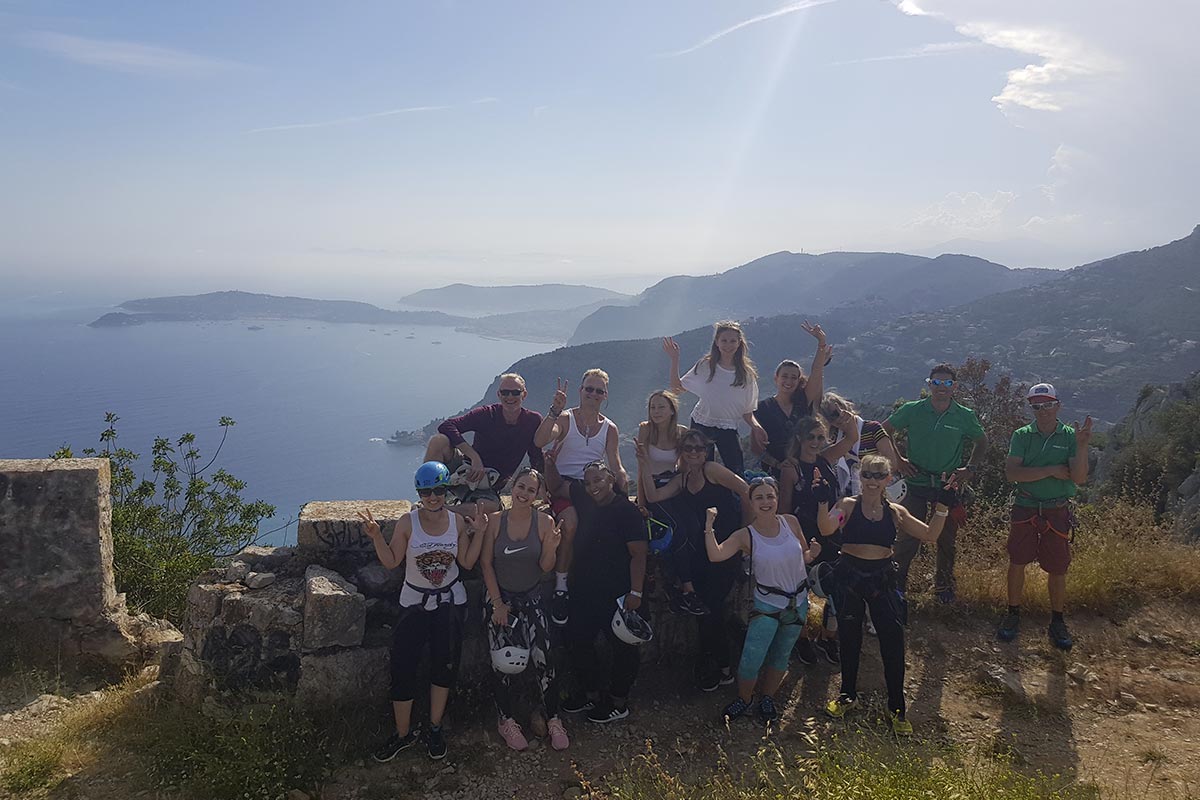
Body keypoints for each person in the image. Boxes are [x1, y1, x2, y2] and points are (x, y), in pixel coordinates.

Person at [360, 461, 486, 762]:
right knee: (403, 666)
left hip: (449, 602)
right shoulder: (407, 523)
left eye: (439, 490)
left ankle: (434, 727)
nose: (433, 497)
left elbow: (467, 562)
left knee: (444, 665)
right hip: (414, 602)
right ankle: (403, 733)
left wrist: (478, 532)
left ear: (446, 491)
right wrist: (377, 536)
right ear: (419, 493)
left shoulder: (456, 523)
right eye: (427, 491)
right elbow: (391, 562)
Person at [819, 454, 952, 735]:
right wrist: (821, 502)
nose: (872, 480)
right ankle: (847, 696)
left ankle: (897, 709)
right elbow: (827, 528)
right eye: (867, 474)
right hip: (850, 575)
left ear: (889, 479)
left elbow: (929, 535)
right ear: (860, 476)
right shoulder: (848, 506)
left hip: (882, 577)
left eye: (879, 475)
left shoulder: (895, 512)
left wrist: (942, 507)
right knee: (850, 637)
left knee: (893, 642)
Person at [638, 428, 751, 691]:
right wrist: (643, 464)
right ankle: (716, 662)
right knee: (704, 609)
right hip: (701, 553)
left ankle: (719, 665)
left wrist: (746, 532)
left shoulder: (713, 470)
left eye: (699, 448)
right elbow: (654, 496)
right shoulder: (683, 479)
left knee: (710, 606)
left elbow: (746, 491)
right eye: (688, 448)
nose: (693, 453)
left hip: (725, 549)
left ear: (707, 450)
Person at [704, 477, 822, 726]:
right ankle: (745, 698)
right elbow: (716, 555)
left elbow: (804, 556)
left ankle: (766, 697)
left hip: (797, 602)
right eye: (759, 497)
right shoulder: (745, 535)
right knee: (751, 658)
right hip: (768, 606)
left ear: (777, 498)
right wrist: (709, 525)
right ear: (751, 502)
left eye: (770, 496)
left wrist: (813, 553)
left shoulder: (790, 522)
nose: (766, 502)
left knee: (781, 656)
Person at [478, 467, 569, 750]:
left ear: (538, 494)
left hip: (532, 598)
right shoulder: (495, 522)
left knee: (544, 658)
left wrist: (552, 547)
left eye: (531, 490)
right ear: (512, 487)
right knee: (503, 663)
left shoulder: (544, 522)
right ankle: (506, 720)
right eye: (521, 486)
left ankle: (553, 718)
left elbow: (545, 567)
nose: (524, 493)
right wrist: (497, 604)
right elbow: (485, 564)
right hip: (500, 599)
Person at [999, 383, 1093, 650]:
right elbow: (1012, 474)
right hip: (1026, 506)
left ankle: (1057, 620)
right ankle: (1013, 613)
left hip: (1055, 508)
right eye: (1037, 406)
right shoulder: (1022, 435)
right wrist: (1052, 469)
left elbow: (1079, 477)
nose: (1042, 411)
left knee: (1058, 568)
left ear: (1058, 405)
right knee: (1017, 561)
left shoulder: (1070, 437)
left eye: (1047, 405)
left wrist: (1083, 446)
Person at [883, 363, 988, 603]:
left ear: (955, 387)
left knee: (946, 538)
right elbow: (884, 430)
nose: (942, 388)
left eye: (947, 383)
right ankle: (897, 585)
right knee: (908, 535)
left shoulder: (964, 415)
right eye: (937, 383)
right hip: (917, 481)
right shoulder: (913, 410)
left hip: (947, 485)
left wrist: (970, 468)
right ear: (929, 385)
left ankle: (943, 587)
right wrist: (898, 460)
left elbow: (981, 441)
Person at [557, 461, 648, 724]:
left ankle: (619, 701)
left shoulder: (627, 511)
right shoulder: (585, 503)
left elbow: (639, 554)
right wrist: (550, 460)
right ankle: (591, 693)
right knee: (578, 641)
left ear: (611, 480)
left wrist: (636, 593)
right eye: (588, 482)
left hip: (618, 593)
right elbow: (554, 485)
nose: (593, 486)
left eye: (598, 480)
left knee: (622, 647)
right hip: (585, 590)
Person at [535, 369, 629, 624]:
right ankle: (561, 587)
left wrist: (622, 478)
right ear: (580, 390)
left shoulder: (609, 428)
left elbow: (615, 462)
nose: (593, 394)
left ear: (605, 395)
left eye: (599, 390)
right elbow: (540, 439)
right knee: (572, 523)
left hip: (593, 485)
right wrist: (554, 410)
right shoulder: (565, 419)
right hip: (564, 486)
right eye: (589, 388)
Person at [779, 413, 859, 665]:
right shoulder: (790, 469)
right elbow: (784, 508)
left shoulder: (826, 458)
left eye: (820, 437)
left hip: (832, 532)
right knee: (799, 591)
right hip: (802, 534)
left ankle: (828, 638)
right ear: (800, 438)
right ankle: (801, 639)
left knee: (836, 587)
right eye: (810, 437)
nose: (815, 442)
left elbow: (852, 438)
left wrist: (844, 420)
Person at [427, 373, 548, 513]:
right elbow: (446, 426)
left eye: (515, 392)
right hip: (463, 473)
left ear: (524, 394)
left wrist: (542, 486)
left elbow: (536, 455)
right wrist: (474, 457)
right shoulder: (486, 414)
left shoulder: (532, 421)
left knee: (489, 507)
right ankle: (428, 493)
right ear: (499, 394)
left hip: (488, 487)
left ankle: (442, 511)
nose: (510, 397)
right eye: (505, 392)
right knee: (438, 441)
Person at [663, 320, 768, 477]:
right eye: (724, 340)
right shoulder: (706, 366)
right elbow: (676, 389)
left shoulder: (746, 375)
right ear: (717, 342)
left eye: (733, 341)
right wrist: (674, 359)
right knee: (699, 470)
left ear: (740, 343)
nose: (728, 345)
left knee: (736, 471)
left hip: (728, 427)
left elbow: (747, 411)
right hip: (702, 423)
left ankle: (733, 501)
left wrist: (756, 427)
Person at [634, 390, 703, 615]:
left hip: (673, 486)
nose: (656, 411)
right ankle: (686, 589)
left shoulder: (680, 433)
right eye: (653, 407)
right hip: (653, 487)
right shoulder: (645, 429)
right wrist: (642, 504)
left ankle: (681, 586)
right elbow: (641, 466)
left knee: (694, 527)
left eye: (661, 407)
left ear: (672, 409)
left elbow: (683, 467)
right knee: (677, 530)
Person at [752, 322, 834, 476]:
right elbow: (756, 448)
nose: (788, 381)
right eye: (784, 376)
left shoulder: (803, 401)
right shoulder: (762, 408)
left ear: (798, 380)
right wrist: (778, 464)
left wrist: (821, 342)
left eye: (793, 378)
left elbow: (816, 370)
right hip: (775, 472)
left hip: (806, 468)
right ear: (776, 378)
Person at [818, 393, 900, 497]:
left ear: (844, 406)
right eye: (829, 418)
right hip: (844, 498)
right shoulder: (833, 437)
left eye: (836, 413)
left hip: (873, 494)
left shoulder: (873, 429)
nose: (836, 419)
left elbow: (892, 464)